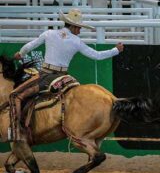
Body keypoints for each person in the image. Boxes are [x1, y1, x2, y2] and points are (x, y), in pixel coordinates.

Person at [10, 8, 124, 142]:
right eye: (79, 28)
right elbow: (96, 55)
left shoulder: (49, 34)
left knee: (15, 96)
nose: (80, 31)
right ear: (74, 27)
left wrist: (20, 54)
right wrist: (115, 50)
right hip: (64, 78)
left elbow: (29, 46)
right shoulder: (76, 42)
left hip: (45, 76)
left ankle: (16, 132)